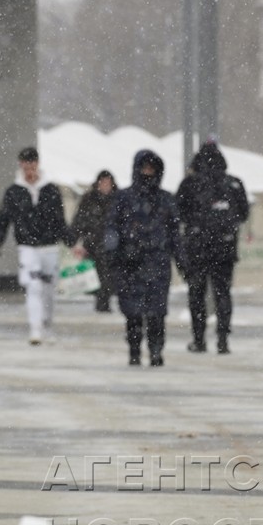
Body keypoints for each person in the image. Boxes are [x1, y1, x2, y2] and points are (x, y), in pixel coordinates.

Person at [103, 149, 182, 367]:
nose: (148, 173)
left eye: (151, 169)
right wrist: (113, 253)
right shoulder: (124, 198)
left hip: (157, 263)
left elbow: (175, 233)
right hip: (130, 263)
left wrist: (181, 260)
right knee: (133, 312)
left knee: (157, 312)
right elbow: (112, 227)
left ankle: (156, 350)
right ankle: (135, 349)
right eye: (144, 168)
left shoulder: (166, 200)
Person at [176, 142, 250, 354]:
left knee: (196, 294)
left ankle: (199, 339)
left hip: (196, 247)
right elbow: (243, 213)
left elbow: (178, 211)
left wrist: (196, 226)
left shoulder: (190, 184)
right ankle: (223, 339)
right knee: (223, 293)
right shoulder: (233, 183)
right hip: (224, 247)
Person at [0, 147, 69, 344]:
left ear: (37, 164)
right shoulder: (14, 191)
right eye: (25, 167)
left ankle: (47, 322)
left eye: (31, 166)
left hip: (49, 246)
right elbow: (4, 219)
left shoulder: (51, 190)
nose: (29, 171)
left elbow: (60, 219)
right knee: (33, 286)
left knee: (48, 289)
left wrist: (70, 241)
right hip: (27, 246)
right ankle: (35, 328)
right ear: (20, 165)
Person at [68, 170, 118, 314]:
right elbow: (79, 220)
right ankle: (102, 302)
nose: (105, 186)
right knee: (97, 275)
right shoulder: (89, 199)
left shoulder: (117, 200)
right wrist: (73, 241)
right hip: (93, 243)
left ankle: (104, 301)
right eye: (103, 182)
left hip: (112, 244)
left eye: (108, 182)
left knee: (109, 274)